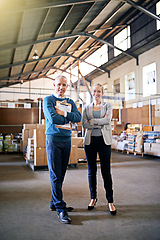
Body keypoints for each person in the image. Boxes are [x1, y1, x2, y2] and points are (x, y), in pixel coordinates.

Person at [43, 75, 81, 224]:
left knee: (61, 174)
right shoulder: (48, 101)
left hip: (66, 140)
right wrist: (69, 118)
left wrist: (64, 113)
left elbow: (78, 117)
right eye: (59, 84)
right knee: (55, 175)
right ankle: (60, 207)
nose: (61, 87)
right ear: (54, 84)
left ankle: (54, 203)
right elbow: (53, 119)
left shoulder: (70, 102)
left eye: (64, 85)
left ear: (67, 86)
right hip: (53, 141)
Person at [82, 83, 117, 215]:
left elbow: (107, 121)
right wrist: (99, 120)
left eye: (99, 91)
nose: (96, 93)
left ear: (102, 93)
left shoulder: (107, 106)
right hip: (90, 142)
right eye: (95, 91)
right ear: (92, 93)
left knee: (106, 171)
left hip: (104, 141)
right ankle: (93, 198)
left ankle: (110, 201)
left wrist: (93, 121)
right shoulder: (86, 107)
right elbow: (84, 123)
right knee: (91, 171)